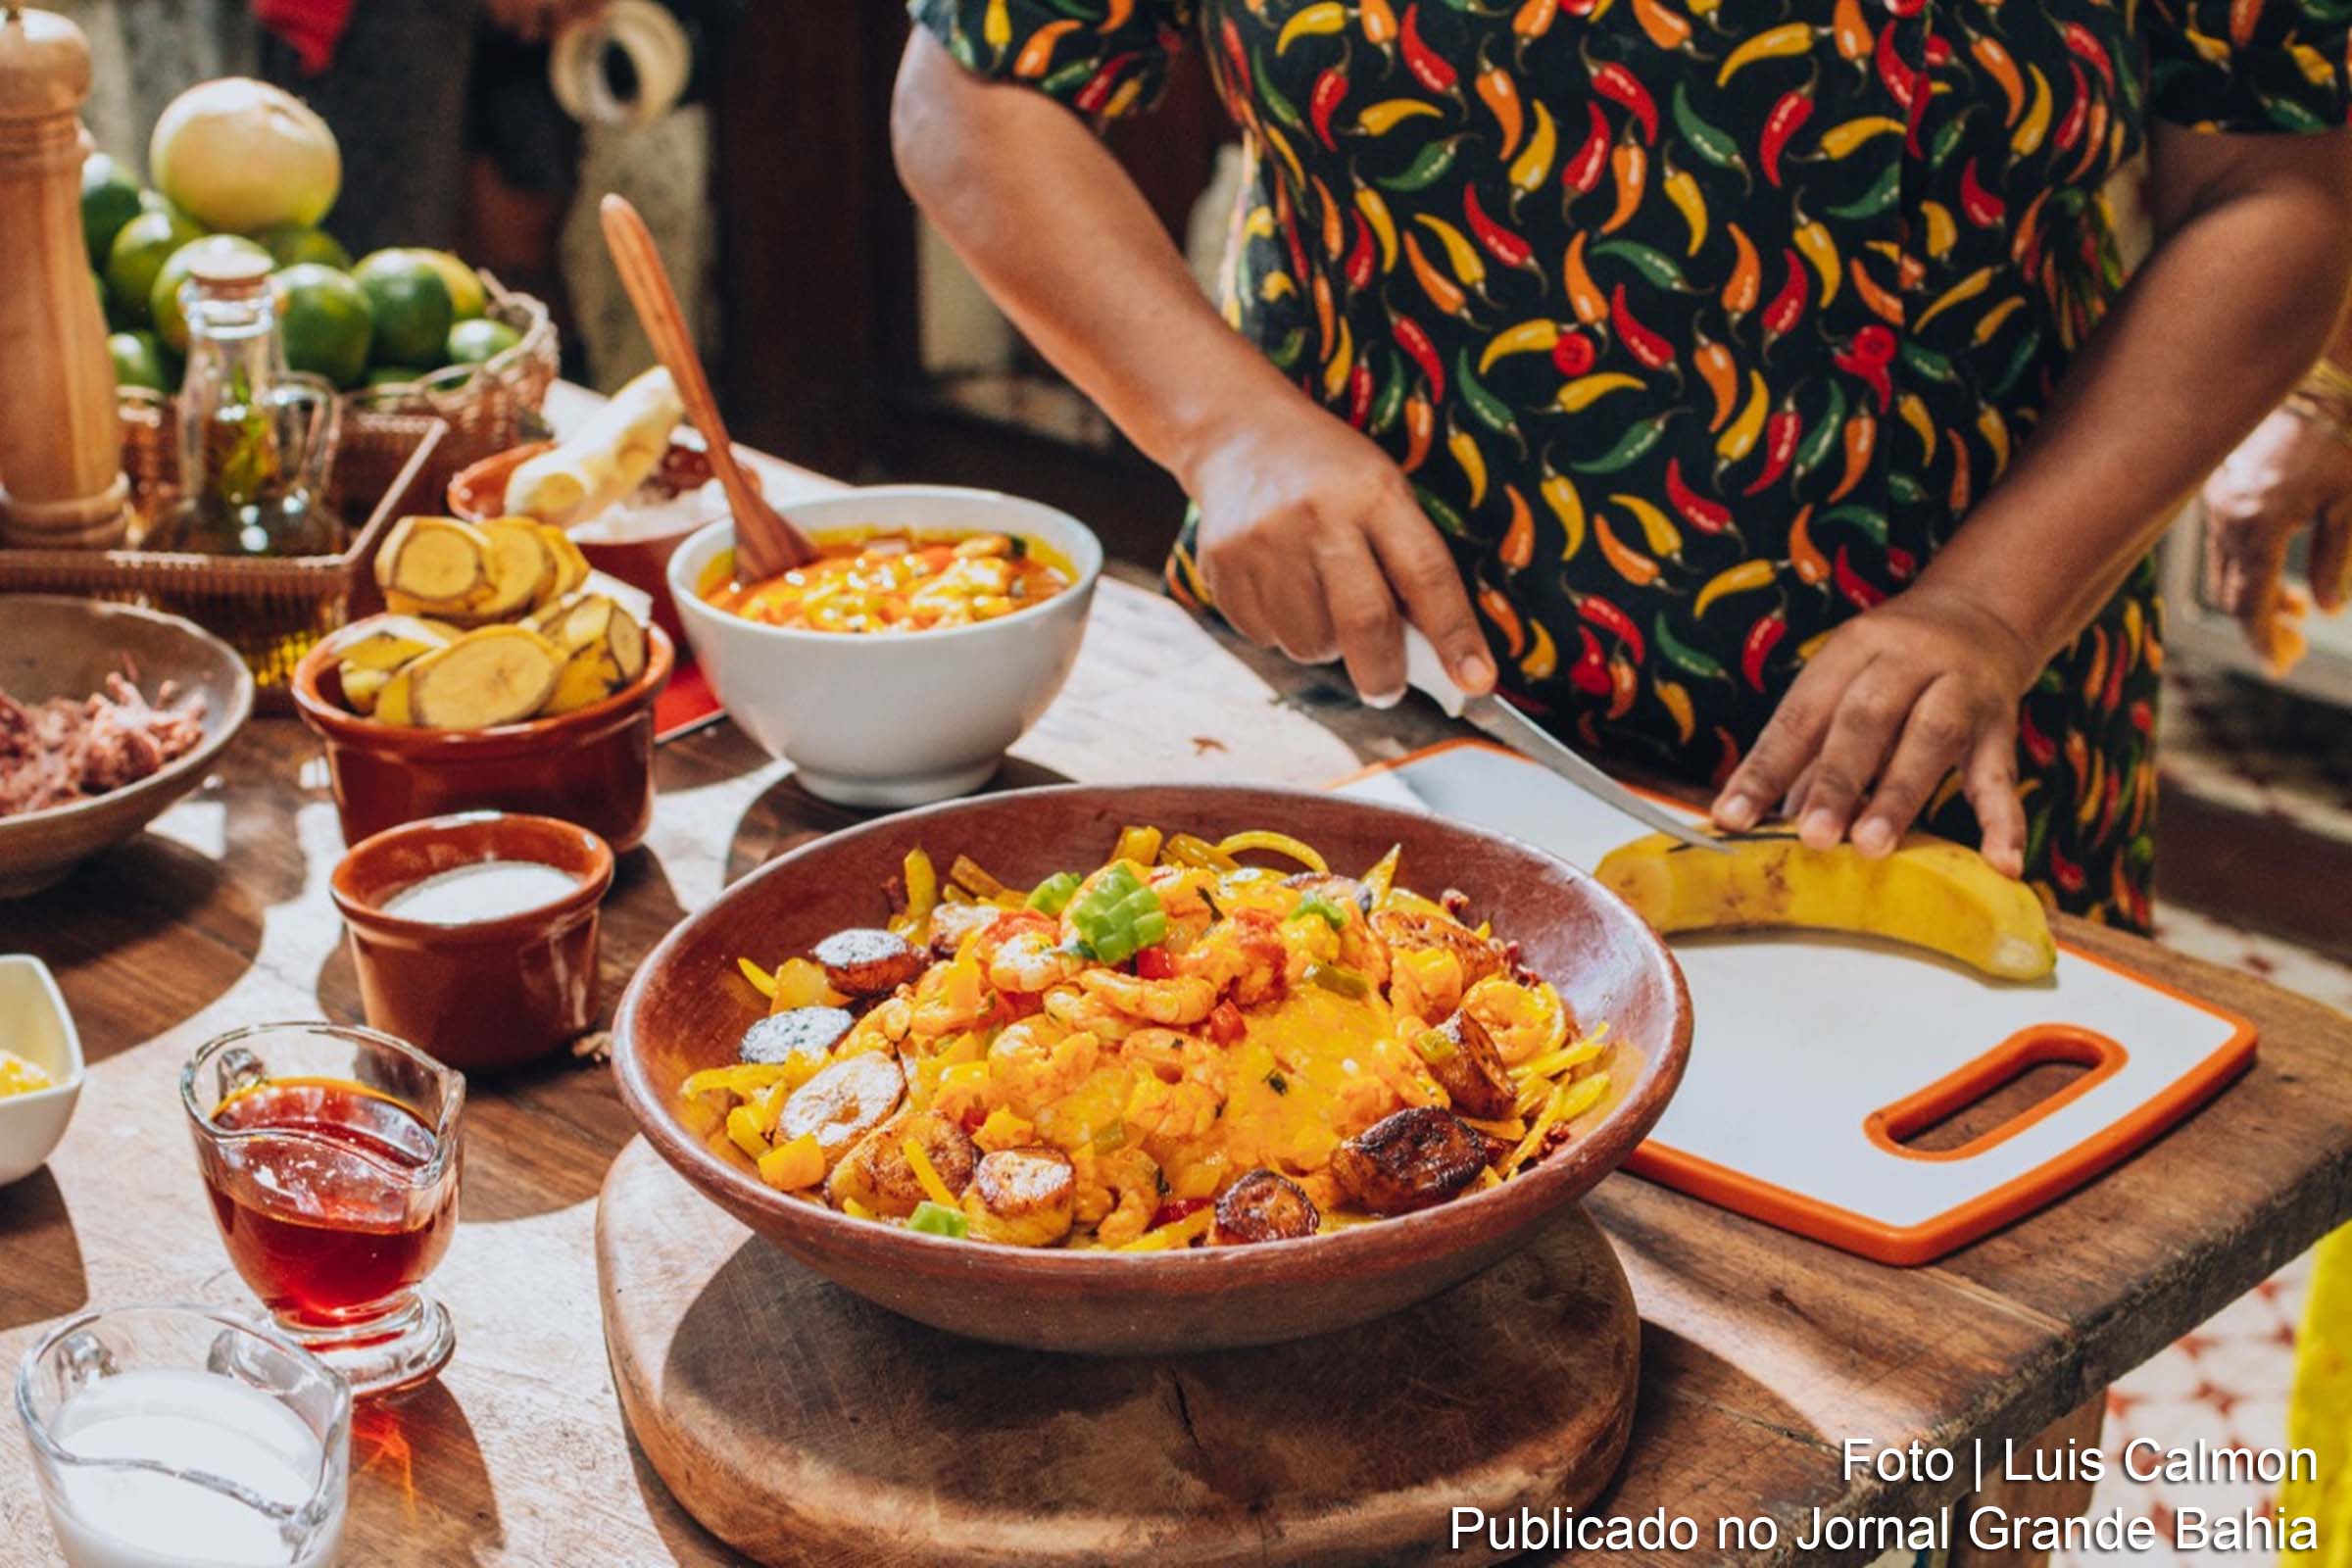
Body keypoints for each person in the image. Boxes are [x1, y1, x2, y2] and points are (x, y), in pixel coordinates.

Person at [893, 0, 2352, 928]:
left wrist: (1993, 607)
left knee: (1978, 1367)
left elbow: (2273, 183)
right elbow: (974, 92)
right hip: (1359, 677)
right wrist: (1225, 426)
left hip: (1939, 709)